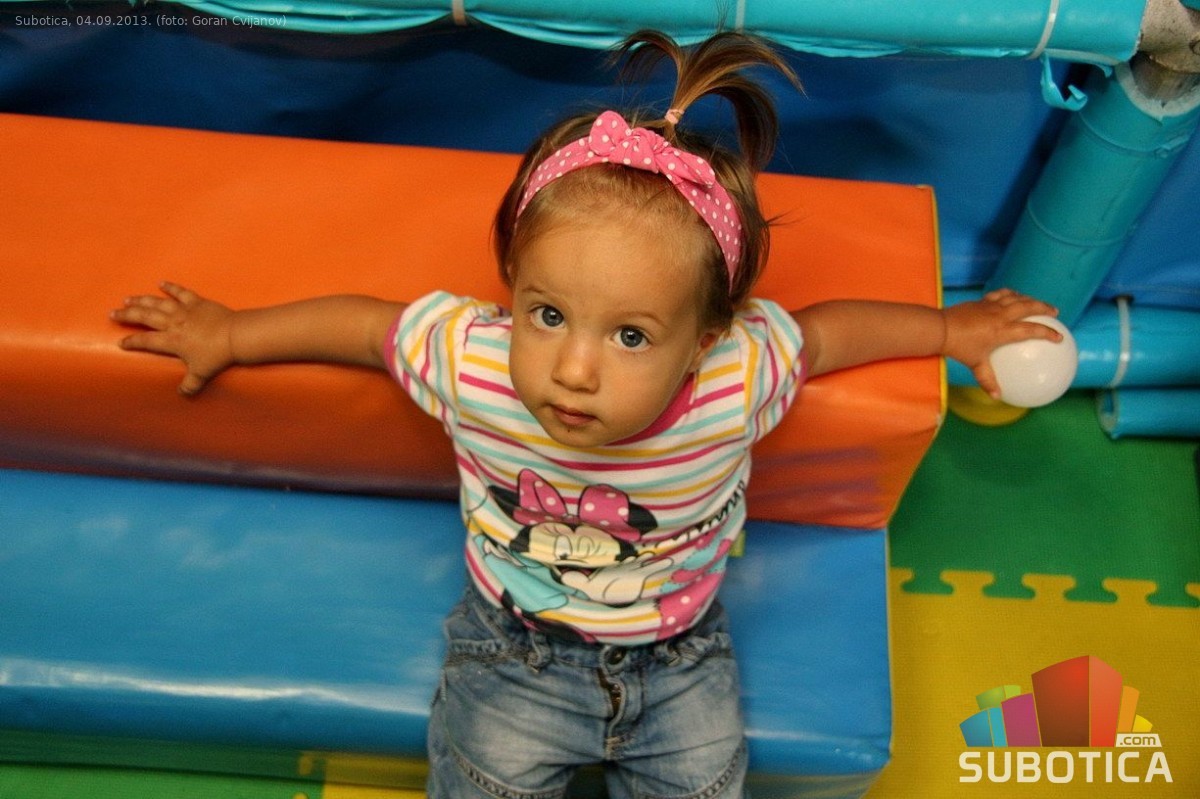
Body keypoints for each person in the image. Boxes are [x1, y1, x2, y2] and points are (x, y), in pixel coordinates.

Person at [110, 30, 1061, 799]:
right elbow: (365, 326)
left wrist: (954, 327)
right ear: (511, 289)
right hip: (510, 648)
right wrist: (230, 334)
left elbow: (828, 333)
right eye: (548, 314)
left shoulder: (735, 377)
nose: (572, 370)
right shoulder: (475, 361)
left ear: (701, 341)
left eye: (631, 336)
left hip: (683, 654)